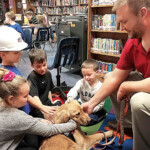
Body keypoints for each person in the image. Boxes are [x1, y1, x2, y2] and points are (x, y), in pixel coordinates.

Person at [82, 0, 150, 150]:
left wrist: (128, 85)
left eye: (124, 21)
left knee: (139, 100)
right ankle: (131, 126)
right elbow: (115, 77)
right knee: (109, 78)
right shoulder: (133, 41)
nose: (121, 27)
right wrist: (92, 103)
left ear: (143, 13)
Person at [0, 68, 77, 150]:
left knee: (34, 138)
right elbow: (49, 130)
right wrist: (73, 124)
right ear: (11, 99)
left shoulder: (4, 104)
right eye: (26, 96)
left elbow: (23, 121)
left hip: (10, 138)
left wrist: (39, 121)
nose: (29, 98)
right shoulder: (17, 116)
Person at [0, 26, 57, 116]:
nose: (20, 54)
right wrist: (42, 108)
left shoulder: (12, 67)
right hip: (23, 114)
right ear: (3, 54)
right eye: (16, 52)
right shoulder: (7, 73)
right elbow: (26, 96)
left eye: (20, 51)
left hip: (28, 110)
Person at [67, 59, 106, 126]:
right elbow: (74, 89)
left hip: (93, 109)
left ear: (97, 72)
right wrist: (70, 97)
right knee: (69, 110)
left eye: (89, 75)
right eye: (84, 75)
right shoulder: (81, 82)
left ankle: (102, 114)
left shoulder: (101, 87)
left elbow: (100, 104)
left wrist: (92, 109)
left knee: (89, 120)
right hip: (81, 105)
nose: (86, 77)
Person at [27, 48, 61, 118]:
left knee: (61, 113)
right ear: (32, 65)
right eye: (38, 66)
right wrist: (43, 109)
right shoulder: (32, 77)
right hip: (37, 107)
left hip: (46, 103)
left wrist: (51, 103)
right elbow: (34, 97)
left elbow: (48, 91)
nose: (42, 68)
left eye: (44, 65)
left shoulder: (48, 73)